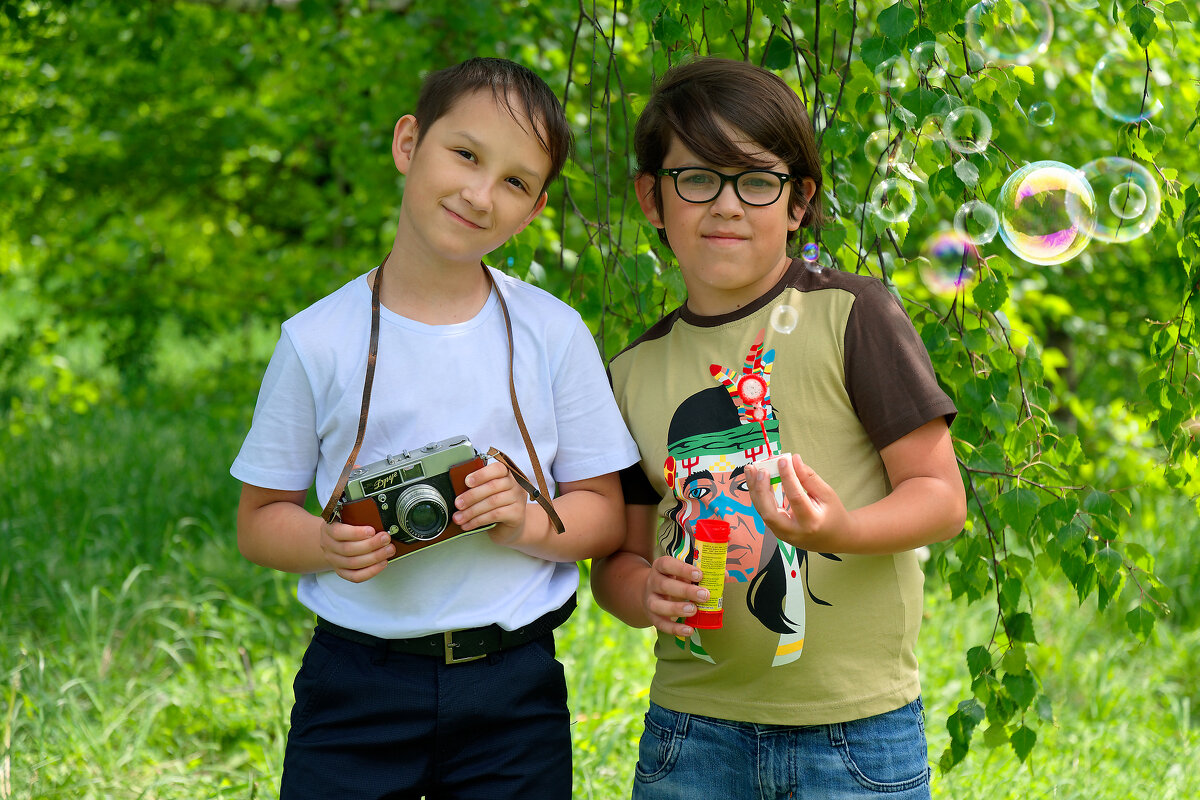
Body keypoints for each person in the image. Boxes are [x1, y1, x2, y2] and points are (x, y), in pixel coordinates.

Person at [231, 57, 640, 799]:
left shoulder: (553, 332)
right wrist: (326, 543)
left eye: (516, 181)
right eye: (465, 154)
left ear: (537, 208)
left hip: (512, 688)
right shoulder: (317, 339)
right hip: (355, 683)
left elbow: (606, 515)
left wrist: (521, 520)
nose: (481, 194)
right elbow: (259, 523)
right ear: (408, 143)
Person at [592, 57, 967, 800]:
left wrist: (839, 531)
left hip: (855, 732)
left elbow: (940, 496)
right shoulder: (631, 372)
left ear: (798, 203)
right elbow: (617, 563)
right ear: (651, 198)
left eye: (756, 181)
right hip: (692, 732)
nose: (727, 206)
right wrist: (644, 594)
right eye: (697, 178)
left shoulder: (852, 315)